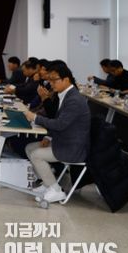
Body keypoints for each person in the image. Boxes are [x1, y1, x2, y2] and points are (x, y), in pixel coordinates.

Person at [24, 62, 90, 203]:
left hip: (72, 148)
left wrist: (35, 117)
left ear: (66, 80)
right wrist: (48, 137)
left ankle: (56, 190)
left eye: (54, 80)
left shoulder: (74, 99)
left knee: (36, 155)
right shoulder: (65, 94)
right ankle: (47, 184)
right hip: (63, 140)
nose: (51, 83)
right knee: (30, 148)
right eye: (50, 80)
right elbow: (60, 122)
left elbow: (60, 124)